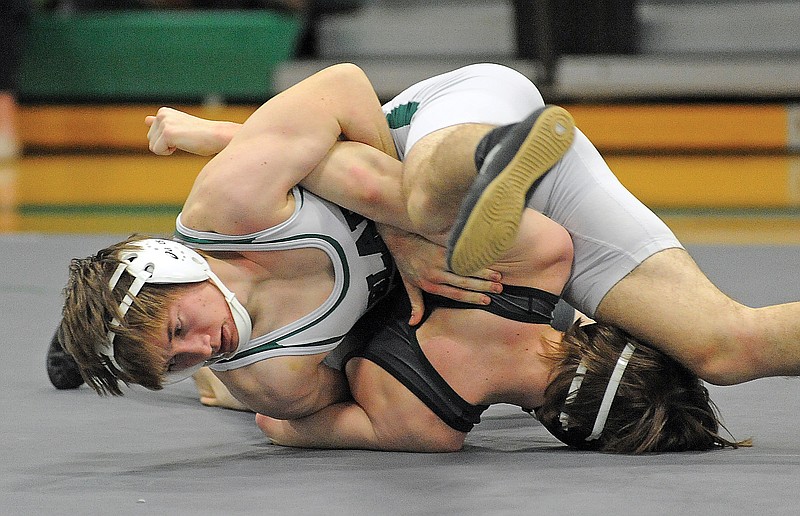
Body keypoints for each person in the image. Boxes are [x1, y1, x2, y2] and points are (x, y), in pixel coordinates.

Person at [56, 63, 505, 420]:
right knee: (244, 392)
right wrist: (281, 423)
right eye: (175, 364)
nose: (203, 349)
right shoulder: (273, 384)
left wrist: (401, 234)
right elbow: (378, 392)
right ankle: (204, 380)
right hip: (322, 344)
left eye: (178, 330)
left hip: (402, 158)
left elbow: (343, 88)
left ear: (176, 263)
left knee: (359, 178)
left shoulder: (230, 205)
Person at [254, 195, 741, 453]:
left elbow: (375, 167)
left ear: (607, 333)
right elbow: (275, 421)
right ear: (563, 429)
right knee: (276, 385)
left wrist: (398, 236)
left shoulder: (540, 255)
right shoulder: (423, 427)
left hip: (276, 219)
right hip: (270, 324)